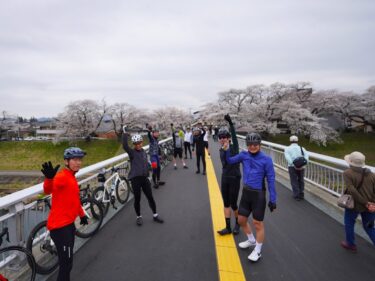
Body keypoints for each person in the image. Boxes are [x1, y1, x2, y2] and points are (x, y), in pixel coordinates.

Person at [223, 132, 277, 262]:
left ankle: (257, 251)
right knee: (241, 220)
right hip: (246, 193)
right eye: (250, 144)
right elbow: (230, 161)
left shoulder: (266, 159)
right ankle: (251, 240)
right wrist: (226, 150)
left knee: (258, 223)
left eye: (255, 144)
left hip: (258, 195)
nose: (252, 146)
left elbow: (271, 179)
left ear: (259, 145)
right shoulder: (244, 155)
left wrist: (273, 199)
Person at [41, 147, 88, 281]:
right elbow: (48, 190)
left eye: (80, 160)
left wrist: (82, 214)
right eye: (74, 159)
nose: (78, 162)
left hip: (68, 225)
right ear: (66, 161)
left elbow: (74, 200)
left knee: (68, 262)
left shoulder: (72, 177)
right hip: (60, 228)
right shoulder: (62, 176)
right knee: (66, 264)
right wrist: (49, 179)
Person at [122, 126, 164, 226]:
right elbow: (125, 146)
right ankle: (139, 216)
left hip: (144, 179)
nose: (138, 145)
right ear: (134, 144)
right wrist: (124, 135)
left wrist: (149, 172)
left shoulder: (144, 152)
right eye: (136, 143)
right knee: (137, 198)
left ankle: (155, 215)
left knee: (150, 197)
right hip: (135, 180)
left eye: (140, 142)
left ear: (142, 142)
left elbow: (145, 163)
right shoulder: (132, 153)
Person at [341, 151, 375, 252]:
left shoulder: (347, 173)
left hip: (354, 205)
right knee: (369, 227)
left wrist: (365, 202)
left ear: (350, 162)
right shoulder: (372, 174)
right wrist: (371, 203)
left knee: (349, 223)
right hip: (369, 206)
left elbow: (352, 190)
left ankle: (350, 244)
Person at [217, 114, 242, 236]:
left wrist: (231, 124)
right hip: (225, 177)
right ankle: (228, 227)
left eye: (224, 137)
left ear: (228, 138)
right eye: (220, 137)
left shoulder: (234, 147)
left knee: (233, 204)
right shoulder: (221, 149)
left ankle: (238, 224)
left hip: (235, 178)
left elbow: (234, 137)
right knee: (226, 203)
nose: (222, 139)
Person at [284, 135, 309, 200]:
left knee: (294, 180)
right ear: (297, 141)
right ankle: (301, 194)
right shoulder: (302, 148)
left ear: (290, 141)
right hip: (302, 167)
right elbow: (306, 156)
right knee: (301, 180)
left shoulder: (287, 148)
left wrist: (293, 164)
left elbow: (288, 158)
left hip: (292, 167)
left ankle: (296, 195)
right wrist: (303, 164)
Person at [146, 124, 165, 189]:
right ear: (153, 133)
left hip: (157, 156)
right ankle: (155, 183)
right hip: (153, 157)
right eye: (155, 133)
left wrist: (160, 155)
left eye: (158, 133)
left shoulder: (157, 140)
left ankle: (158, 181)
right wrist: (149, 130)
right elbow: (149, 135)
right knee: (155, 169)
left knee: (159, 168)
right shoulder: (152, 139)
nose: (157, 134)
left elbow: (158, 148)